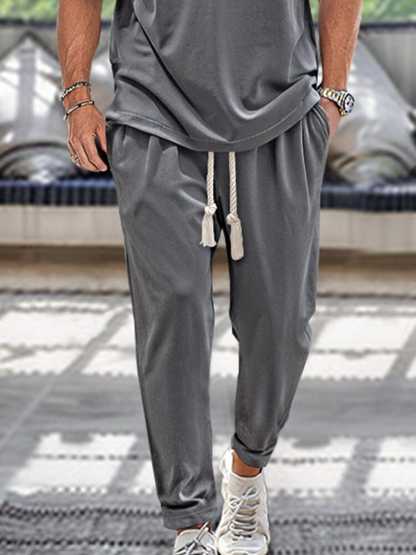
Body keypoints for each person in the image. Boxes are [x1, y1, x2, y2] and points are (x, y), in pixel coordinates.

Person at [57, 1, 362, 553]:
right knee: (172, 317)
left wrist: (334, 94)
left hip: (282, 110)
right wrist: (77, 96)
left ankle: (247, 474)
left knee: (282, 323)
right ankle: (190, 521)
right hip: (155, 111)